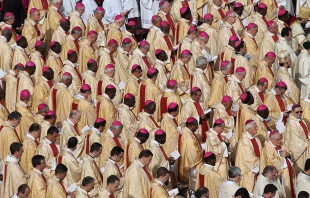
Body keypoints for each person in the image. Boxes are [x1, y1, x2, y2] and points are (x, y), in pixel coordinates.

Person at [235, 119, 262, 193]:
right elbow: (249, 158)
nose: (257, 128)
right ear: (249, 129)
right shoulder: (244, 140)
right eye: (255, 127)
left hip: (257, 168)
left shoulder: (256, 139)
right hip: (248, 170)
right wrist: (261, 163)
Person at [284, 104, 310, 174]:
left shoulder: (301, 120)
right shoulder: (292, 123)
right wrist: (308, 142)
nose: (299, 113)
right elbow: (296, 140)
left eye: (301, 112)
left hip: (306, 148)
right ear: (292, 112)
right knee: (302, 169)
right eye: (297, 112)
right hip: (300, 151)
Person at [178, 117, 203, 190]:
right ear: (192, 125)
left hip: (189, 161)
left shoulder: (186, 132)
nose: (197, 128)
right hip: (192, 164)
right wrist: (202, 151)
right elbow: (193, 153)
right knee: (194, 180)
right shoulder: (188, 136)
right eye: (196, 126)